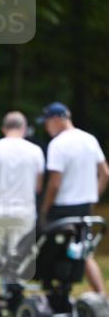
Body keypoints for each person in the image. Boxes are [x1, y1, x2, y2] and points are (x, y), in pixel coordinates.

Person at [0, 111, 45, 317]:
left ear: (4, 129)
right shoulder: (35, 151)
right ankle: (17, 304)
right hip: (24, 211)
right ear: (24, 128)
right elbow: (39, 185)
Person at [39, 101, 109, 295]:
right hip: (85, 207)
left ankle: (54, 294)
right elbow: (105, 173)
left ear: (56, 120)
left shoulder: (57, 145)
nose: (46, 127)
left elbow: (54, 183)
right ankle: (102, 297)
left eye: (47, 122)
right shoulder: (89, 140)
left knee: (54, 250)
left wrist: (44, 209)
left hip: (63, 208)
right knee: (84, 253)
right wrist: (93, 197)